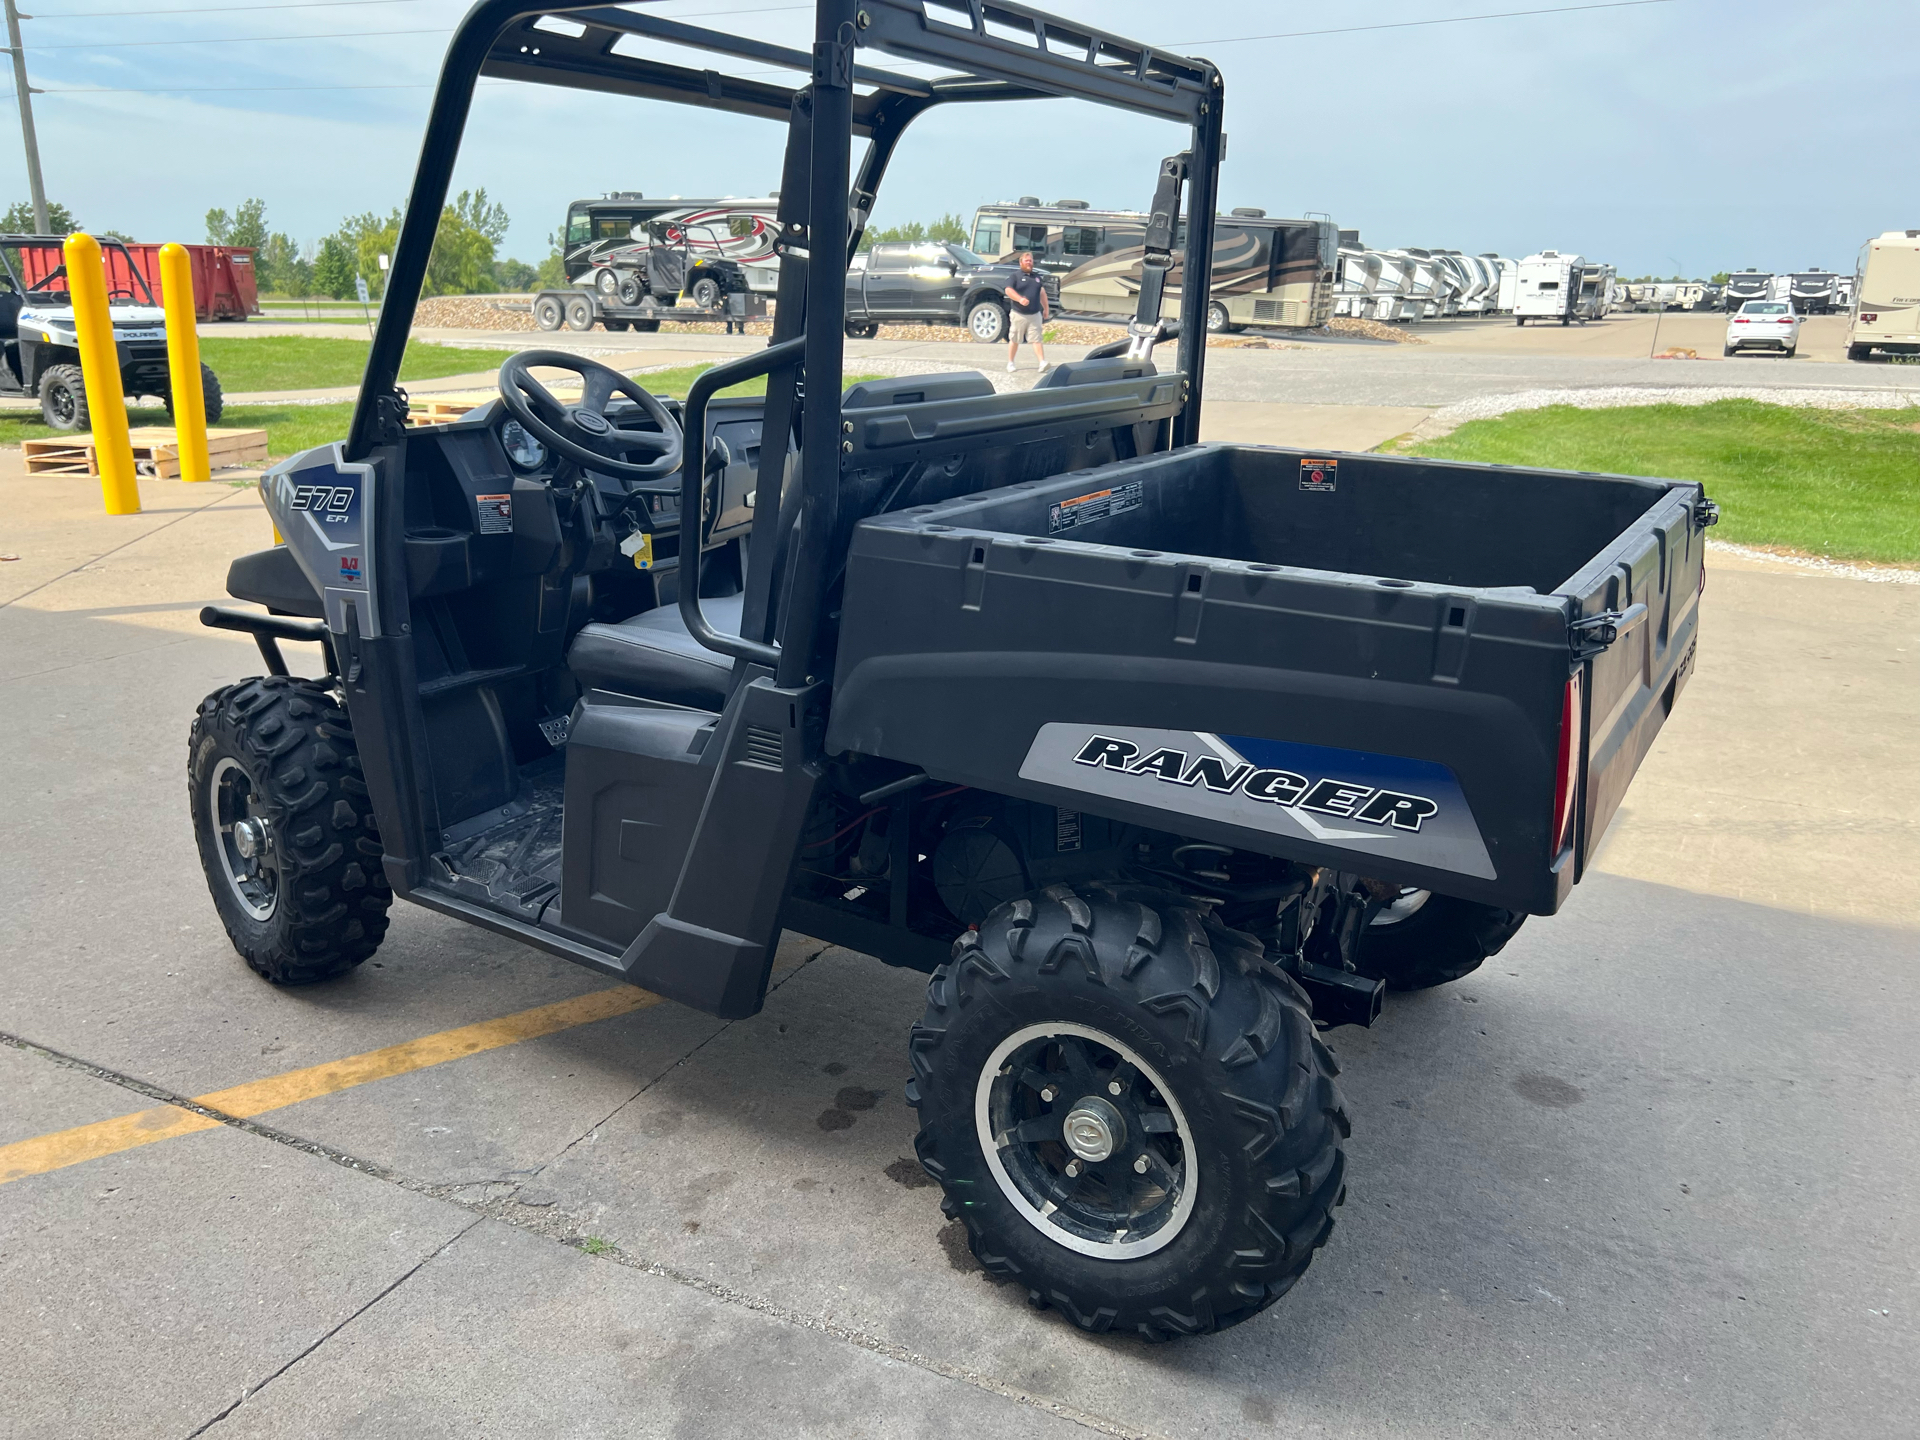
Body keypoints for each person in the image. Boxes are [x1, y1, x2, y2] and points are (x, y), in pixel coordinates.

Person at [1003, 252, 1049, 373]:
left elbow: (1042, 293)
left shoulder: (1037, 277)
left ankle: (1042, 362)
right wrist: (1020, 299)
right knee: (1015, 339)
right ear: (1021, 262)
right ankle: (1011, 363)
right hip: (1019, 313)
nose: (1029, 263)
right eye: (1026, 261)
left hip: (1035, 314)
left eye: (1030, 261)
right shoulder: (1015, 276)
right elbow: (1008, 290)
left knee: (1036, 339)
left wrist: (1046, 309)